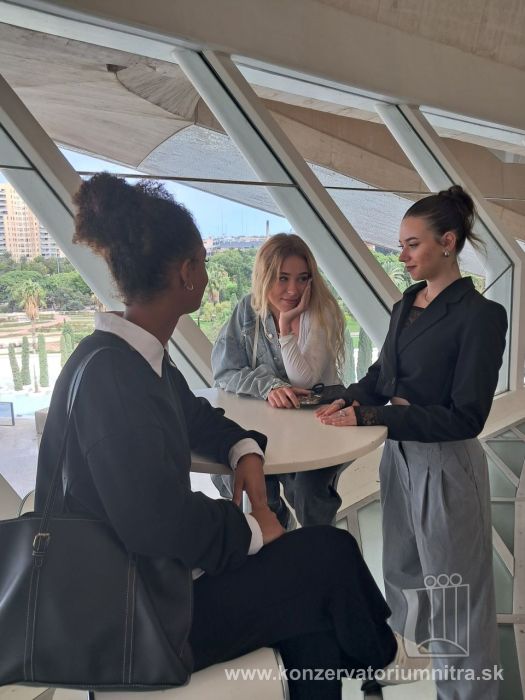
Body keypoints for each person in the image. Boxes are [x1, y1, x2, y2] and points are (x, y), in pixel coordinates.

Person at [35, 174, 424, 700]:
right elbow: (156, 523)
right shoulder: (115, 380)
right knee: (329, 555)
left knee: (313, 616)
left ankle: (376, 656)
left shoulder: (129, 360)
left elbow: (198, 418)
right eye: (203, 260)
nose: (206, 270)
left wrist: (243, 451)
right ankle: (381, 655)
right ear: (186, 272)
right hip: (133, 622)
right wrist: (253, 527)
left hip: (152, 589)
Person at [316, 185, 507, 700]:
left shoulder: (481, 316)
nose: (402, 256)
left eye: (412, 244)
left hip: (446, 463)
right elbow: (382, 377)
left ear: (448, 241)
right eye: (401, 245)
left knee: (456, 594)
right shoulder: (408, 304)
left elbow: (466, 417)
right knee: (404, 575)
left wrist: (375, 414)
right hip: (399, 456)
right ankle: (421, 667)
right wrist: (344, 399)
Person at [212, 233, 346, 528]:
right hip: (269, 427)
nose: (293, 289)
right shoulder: (248, 311)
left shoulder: (320, 311)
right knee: (245, 477)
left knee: (309, 492)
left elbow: (304, 380)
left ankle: (320, 548)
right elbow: (225, 371)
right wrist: (269, 386)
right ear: (264, 276)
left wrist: (286, 325)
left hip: (320, 421)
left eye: (302, 278)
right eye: (282, 278)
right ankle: (276, 538)